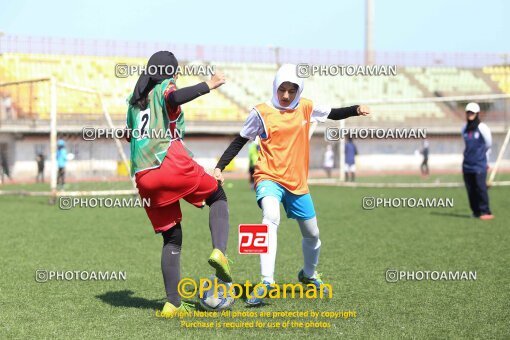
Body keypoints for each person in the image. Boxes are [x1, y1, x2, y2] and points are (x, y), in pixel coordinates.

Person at [213, 64, 370, 305]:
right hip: (269, 177)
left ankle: (308, 274)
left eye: (291, 90)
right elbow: (239, 141)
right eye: (282, 90)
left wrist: (356, 109)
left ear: (298, 91)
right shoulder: (261, 112)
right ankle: (266, 281)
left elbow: (333, 113)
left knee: (313, 235)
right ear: (275, 87)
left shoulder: (306, 107)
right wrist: (219, 167)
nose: (286, 95)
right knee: (270, 217)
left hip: (297, 183)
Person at [125, 51, 232, 315]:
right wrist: (208, 85)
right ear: (170, 72)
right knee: (217, 196)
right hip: (168, 162)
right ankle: (219, 252)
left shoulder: (134, 101)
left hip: (143, 176)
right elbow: (174, 97)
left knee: (172, 237)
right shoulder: (165, 86)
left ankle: (172, 303)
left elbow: (129, 135)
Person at [462, 102, 494, 220]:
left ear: (477, 114)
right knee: (470, 190)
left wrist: (485, 160)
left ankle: (485, 211)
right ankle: (475, 212)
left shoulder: (482, 127)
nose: (470, 114)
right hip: (467, 165)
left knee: (481, 188)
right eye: (468, 112)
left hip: (479, 164)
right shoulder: (464, 128)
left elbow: (488, 144)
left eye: (472, 112)